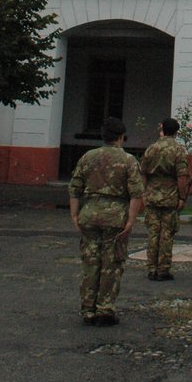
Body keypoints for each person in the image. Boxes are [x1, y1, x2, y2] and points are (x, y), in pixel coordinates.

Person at [68, 117, 144, 326]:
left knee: (90, 263)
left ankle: (88, 309)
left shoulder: (87, 157)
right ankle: (105, 309)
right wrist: (131, 220)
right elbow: (137, 193)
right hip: (115, 216)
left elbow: (74, 188)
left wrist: (75, 214)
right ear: (121, 137)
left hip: (89, 214)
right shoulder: (128, 160)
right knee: (111, 264)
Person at [140, 117, 190, 281]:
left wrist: (144, 192)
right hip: (170, 195)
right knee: (167, 233)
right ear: (176, 132)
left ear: (163, 130)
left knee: (153, 232)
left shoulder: (152, 148)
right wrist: (182, 197)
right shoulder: (178, 149)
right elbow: (181, 176)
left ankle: (151, 268)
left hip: (152, 194)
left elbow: (143, 172)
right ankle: (163, 269)